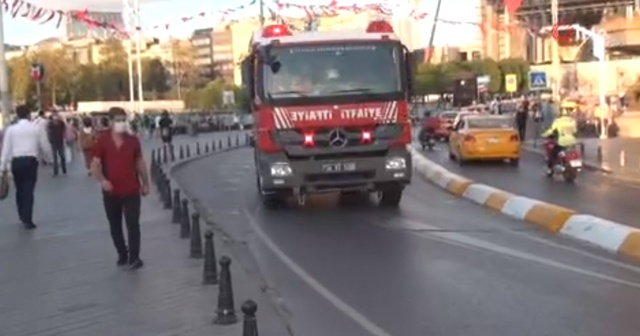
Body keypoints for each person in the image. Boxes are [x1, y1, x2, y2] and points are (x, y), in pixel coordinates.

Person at [91, 107, 150, 270]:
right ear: (110, 122)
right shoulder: (102, 141)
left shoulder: (133, 141)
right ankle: (122, 254)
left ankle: (134, 257)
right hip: (111, 191)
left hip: (131, 189)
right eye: (117, 120)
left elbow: (139, 162)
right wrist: (102, 180)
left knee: (133, 223)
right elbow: (95, 164)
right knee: (115, 224)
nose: (121, 124)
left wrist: (146, 183)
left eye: (123, 120)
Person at [0, 105, 51, 229]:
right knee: (29, 189)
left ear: (17, 115)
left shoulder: (11, 130)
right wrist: (49, 158)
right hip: (30, 161)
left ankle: (21, 214)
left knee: (19, 189)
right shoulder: (35, 128)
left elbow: (6, 149)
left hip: (16, 161)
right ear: (29, 115)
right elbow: (43, 143)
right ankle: (27, 218)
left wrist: (2, 167)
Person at [541, 108, 578, 174]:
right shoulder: (572, 121)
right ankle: (563, 163)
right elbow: (575, 131)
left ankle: (550, 168)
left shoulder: (558, 121)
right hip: (572, 141)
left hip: (562, 141)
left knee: (552, 153)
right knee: (568, 151)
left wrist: (544, 134)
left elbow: (552, 130)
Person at [47, 110, 67, 176]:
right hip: (54, 142)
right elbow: (48, 132)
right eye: (54, 115)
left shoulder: (61, 123)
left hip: (60, 141)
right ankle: (56, 171)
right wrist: (49, 139)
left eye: (56, 115)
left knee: (62, 156)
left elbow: (64, 129)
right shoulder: (50, 124)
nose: (55, 117)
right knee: (55, 157)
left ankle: (64, 169)